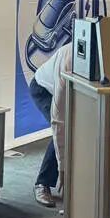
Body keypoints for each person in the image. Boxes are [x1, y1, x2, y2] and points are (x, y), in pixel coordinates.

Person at [29, 45, 71, 207]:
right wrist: (63, 167)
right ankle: (42, 183)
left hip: (67, 90)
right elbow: (59, 122)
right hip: (44, 89)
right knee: (66, 131)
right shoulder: (69, 59)